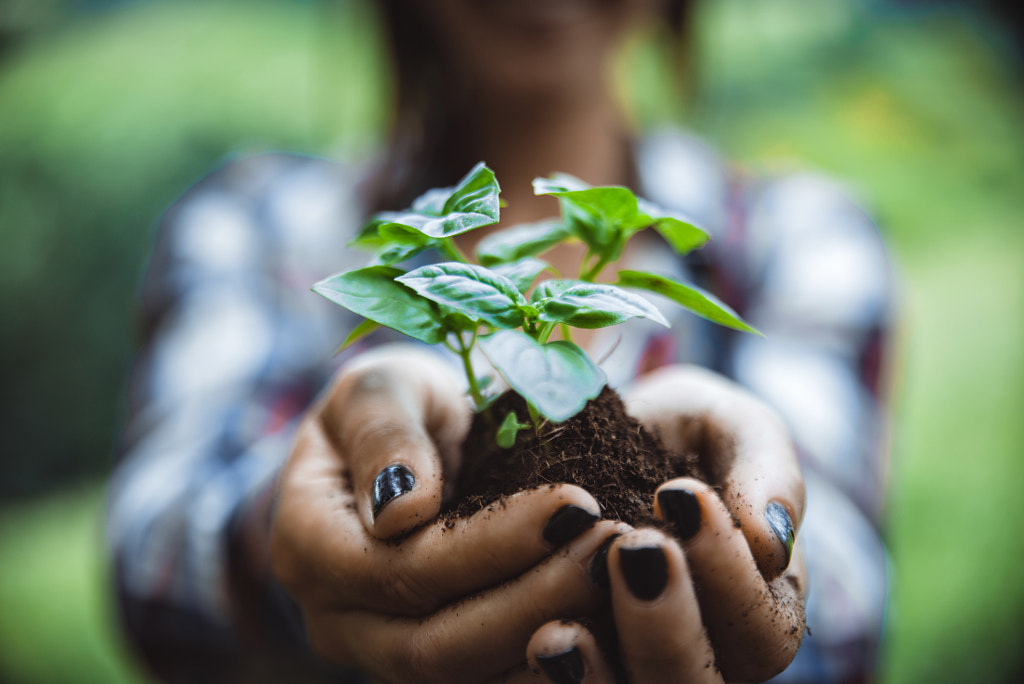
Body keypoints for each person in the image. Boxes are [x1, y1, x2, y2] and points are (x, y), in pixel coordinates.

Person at [108, 0, 894, 682]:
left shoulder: (796, 237)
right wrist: (281, 527)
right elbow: (150, 561)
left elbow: (849, 603)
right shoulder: (259, 224)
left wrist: (759, 575)